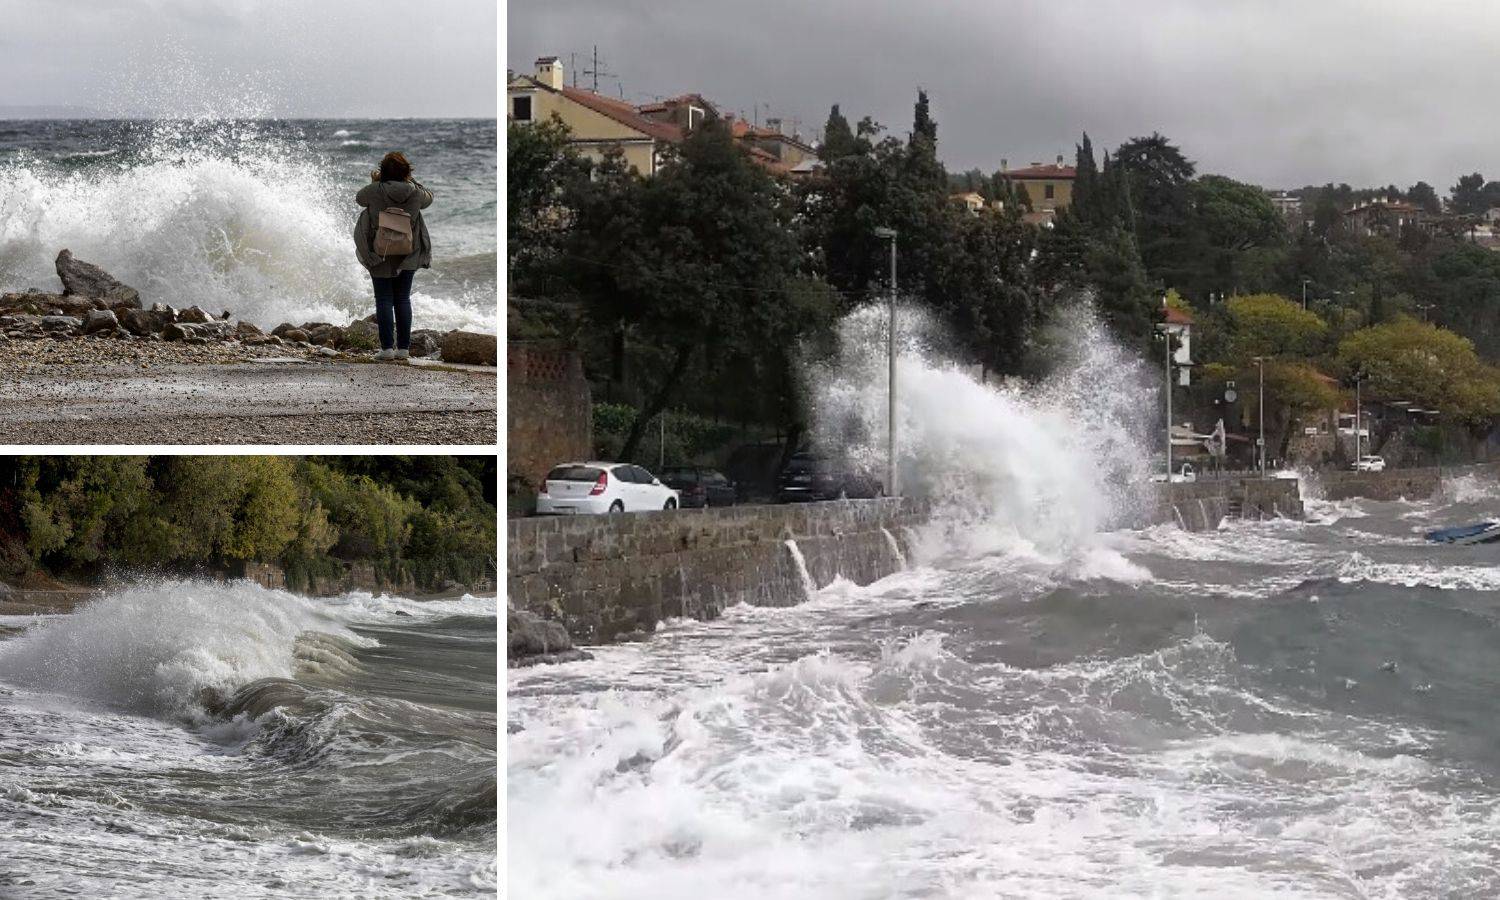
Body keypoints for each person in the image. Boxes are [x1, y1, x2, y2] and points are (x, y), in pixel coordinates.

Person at [354, 151, 433, 360]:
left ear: (383, 172)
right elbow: (430, 197)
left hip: (381, 251)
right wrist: (412, 180)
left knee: (384, 299)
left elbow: (359, 199)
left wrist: (374, 181)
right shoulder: (415, 193)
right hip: (408, 252)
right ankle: (404, 349)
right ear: (406, 172)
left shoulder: (374, 190)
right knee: (403, 299)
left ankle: (387, 349)